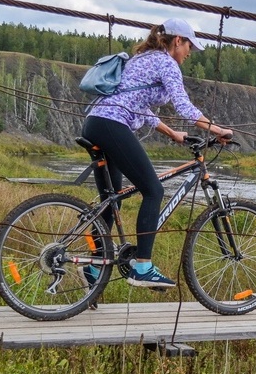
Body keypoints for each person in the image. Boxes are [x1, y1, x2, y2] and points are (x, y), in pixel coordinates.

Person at [81, 18, 233, 288]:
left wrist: (172, 133)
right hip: (112, 123)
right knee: (153, 190)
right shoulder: (166, 63)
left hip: (96, 122)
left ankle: (94, 267)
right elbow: (184, 106)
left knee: (111, 200)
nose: (189, 53)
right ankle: (142, 267)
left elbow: (139, 105)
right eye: (189, 46)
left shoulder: (142, 58)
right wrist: (218, 129)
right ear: (178, 41)